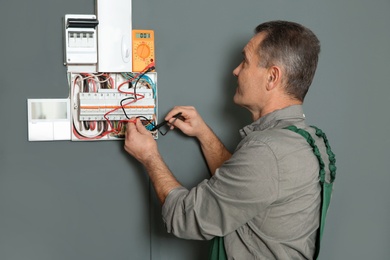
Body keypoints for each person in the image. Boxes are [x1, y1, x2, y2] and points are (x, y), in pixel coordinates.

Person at [124, 20, 332, 259]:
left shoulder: (267, 153)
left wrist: (149, 156)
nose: (236, 70)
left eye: (245, 61)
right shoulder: (307, 141)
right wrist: (204, 134)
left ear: (272, 77)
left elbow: (185, 217)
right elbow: (244, 190)